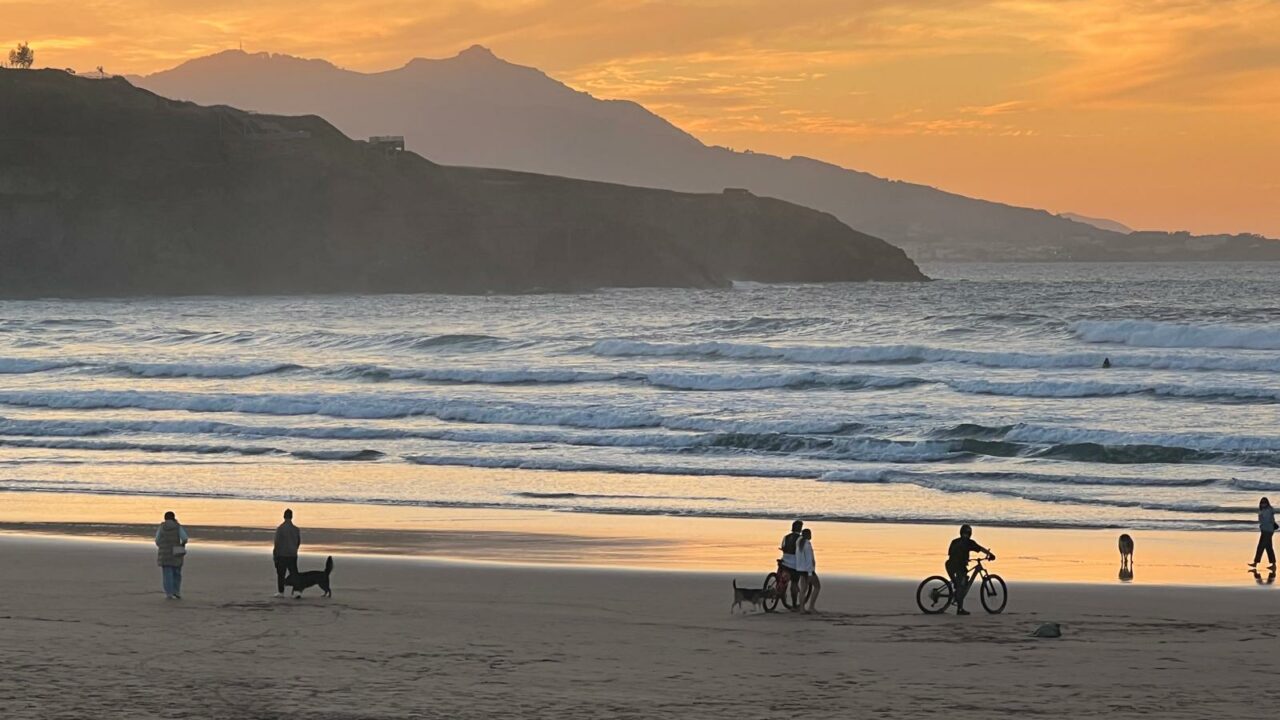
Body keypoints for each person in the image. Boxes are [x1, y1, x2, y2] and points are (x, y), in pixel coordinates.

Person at [946, 524, 993, 616]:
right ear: (970, 533)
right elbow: (980, 549)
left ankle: (955, 595)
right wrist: (990, 554)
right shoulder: (969, 542)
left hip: (949, 564)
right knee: (962, 586)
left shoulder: (954, 541)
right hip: (959, 566)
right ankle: (959, 609)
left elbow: (950, 553)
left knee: (958, 583)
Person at [155, 511, 188, 599]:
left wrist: (162, 546)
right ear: (173, 517)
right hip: (176, 552)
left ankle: (169, 593)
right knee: (177, 573)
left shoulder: (161, 527)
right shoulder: (177, 526)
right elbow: (184, 538)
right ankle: (176, 591)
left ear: (165, 518)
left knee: (167, 574)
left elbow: (157, 540)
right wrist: (182, 545)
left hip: (164, 553)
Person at [273, 508, 302, 598]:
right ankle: (297, 591)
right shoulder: (296, 529)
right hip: (292, 554)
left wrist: (275, 554)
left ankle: (281, 592)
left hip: (282, 554)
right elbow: (298, 542)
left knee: (281, 574)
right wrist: (295, 550)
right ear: (292, 517)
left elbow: (277, 542)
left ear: (284, 516)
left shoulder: (280, 529)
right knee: (294, 574)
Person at [794, 528, 821, 613]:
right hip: (807, 570)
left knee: (803, 589)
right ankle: (811, 607)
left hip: (800, 569)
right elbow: (809, 559)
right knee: (817, 586)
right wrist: (810, 573)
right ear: (808, 535)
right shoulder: (807, 544)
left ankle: (802, 608)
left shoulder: (799, 541)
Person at [778, 520, 803, 608]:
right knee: (794, 583)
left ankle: (782, 596)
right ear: (800, 529)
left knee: (784, 579)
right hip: (794, 564)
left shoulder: (786, 537)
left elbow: (783, 547)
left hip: (785, 562)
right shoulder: (801, 539)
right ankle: (794, 603)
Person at [1250, 497, 1277, 570]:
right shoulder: (1265, 510)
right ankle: (1273, 565)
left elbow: (1265, 520)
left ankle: (1255, 563)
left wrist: (1261, 514)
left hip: (1267, 531)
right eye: (1262, 503)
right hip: (1266, 530)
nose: (1263, 504)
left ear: (1267, 503)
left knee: (1261, 547)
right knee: (1268, 547)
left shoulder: (1267, 510)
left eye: (1264, 502)